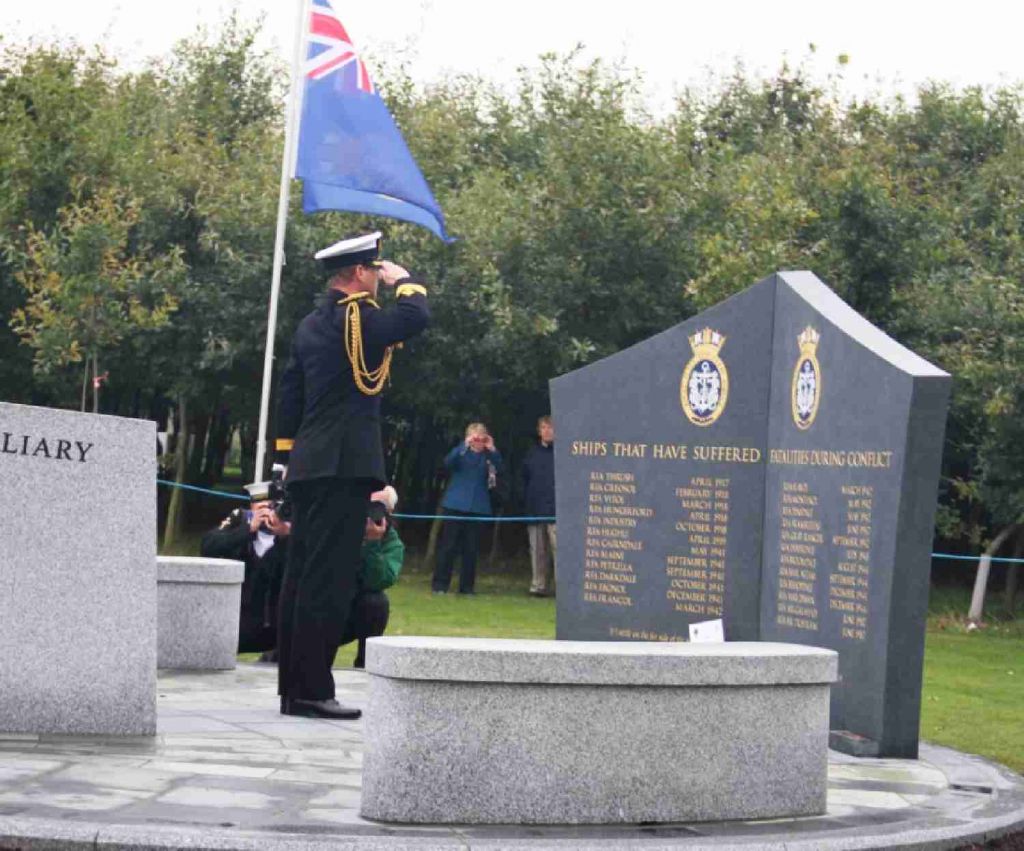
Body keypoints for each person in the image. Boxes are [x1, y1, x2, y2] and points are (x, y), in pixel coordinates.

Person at [274, 231, 429, 720]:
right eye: (376, 270)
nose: (380, 278)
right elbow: (416, 316)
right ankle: (311, 691)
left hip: (309, 464)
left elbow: (290, 395)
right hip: (342, 466)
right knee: (328, 580)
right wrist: (407, 281)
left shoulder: (310, 324)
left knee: (301, 577)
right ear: (360, 272)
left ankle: (294, 687)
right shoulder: (358, 319)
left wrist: (285, 459)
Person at [199, 486, 288, 655]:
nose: (266, 511)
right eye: (260, 506)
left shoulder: (289, 527)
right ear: (252, 506)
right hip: (240, 616)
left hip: (278, 618)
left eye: (271, 506)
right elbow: (208, 546)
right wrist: (247, 530)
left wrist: (286, 535)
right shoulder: (240, 519)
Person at [432, 423, 502, 595]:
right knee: (448, 547)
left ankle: (467, 588)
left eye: (481, 437)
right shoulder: (461, 453)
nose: (478, 441)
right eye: (475, 437)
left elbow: (501, 468)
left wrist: (492, 449)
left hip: (478, 507)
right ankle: (440, 585)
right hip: (455, 505)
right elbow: (447, 462)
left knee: (471, 550)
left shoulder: (489, 456)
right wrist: (464, 444)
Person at [521, 415, 556, 597]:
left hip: (557, 511)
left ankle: (563, 590)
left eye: (551, 427)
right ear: (539, 431)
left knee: (559, 551)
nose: (547, 431)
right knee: (537, 551)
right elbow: (524, 480)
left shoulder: (566, 453)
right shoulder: (531, 453)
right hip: (535, 510)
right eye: (544, 427)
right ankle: (538, 586)